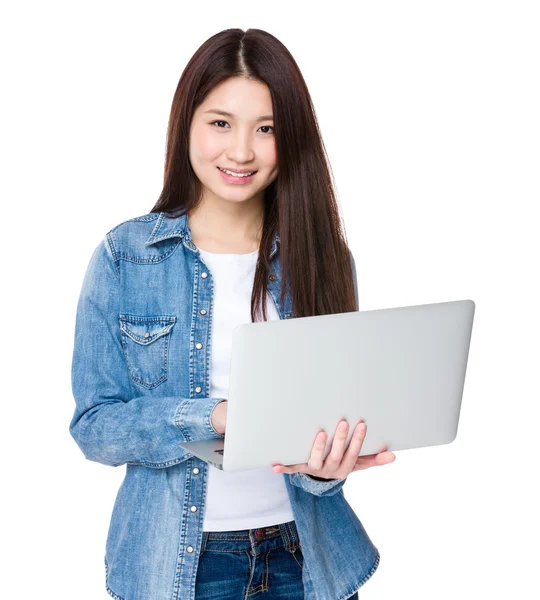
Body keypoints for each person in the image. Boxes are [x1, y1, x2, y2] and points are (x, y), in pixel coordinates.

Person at [69, 28, 395, 600]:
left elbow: (325, 448)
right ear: (187, 124)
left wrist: (327, 468)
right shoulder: (127, 258)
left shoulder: (321, 258)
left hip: (307, 559)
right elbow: (95, 427)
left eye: (266, 129)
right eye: (220, 123)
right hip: (177, 566)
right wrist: (214, 417)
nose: (241, 151)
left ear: (290, 139)